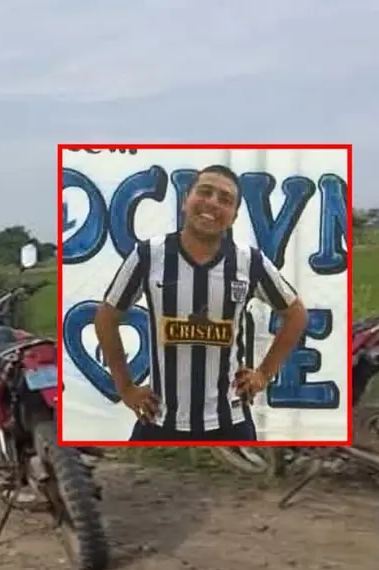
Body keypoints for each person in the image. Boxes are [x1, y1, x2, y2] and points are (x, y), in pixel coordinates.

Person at [94, 164, 309, 443]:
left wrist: (264, 374)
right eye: (205, 192)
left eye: (225, 200)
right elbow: (106, 317)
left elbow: (295, 314)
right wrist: (125, 388)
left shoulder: (249, 261)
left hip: (230, 420)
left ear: (233, 216)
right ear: (186, 201)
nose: (212, 203)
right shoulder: (148, 255)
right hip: (159, 418)